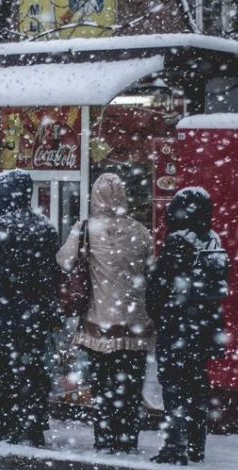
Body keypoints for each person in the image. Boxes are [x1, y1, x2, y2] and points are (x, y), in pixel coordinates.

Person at [57, 173, 155, 454]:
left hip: (99, 323)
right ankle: (127, 439)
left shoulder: (85, 228)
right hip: (135, 323)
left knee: (103, 387)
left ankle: (105, 438)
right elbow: (151, 268)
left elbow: (64, 260)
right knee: (130, 386)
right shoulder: (140, 231)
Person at [0, 169, 60, 446]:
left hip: (7, 313)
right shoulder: (45, 227)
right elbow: (51, 276)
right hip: (36, 313)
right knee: (33, 370)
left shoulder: (0, 228)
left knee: (9, 371)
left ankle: (15, 422)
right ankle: (31, 424)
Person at [148, 187, 227, 465]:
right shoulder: (213, 241)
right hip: (205, 328)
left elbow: (156, 291)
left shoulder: (178, 242)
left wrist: (159, 315)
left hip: (178, 327)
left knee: (173, 387)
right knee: (197, 385)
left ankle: (175, 446)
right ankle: (196, 445)